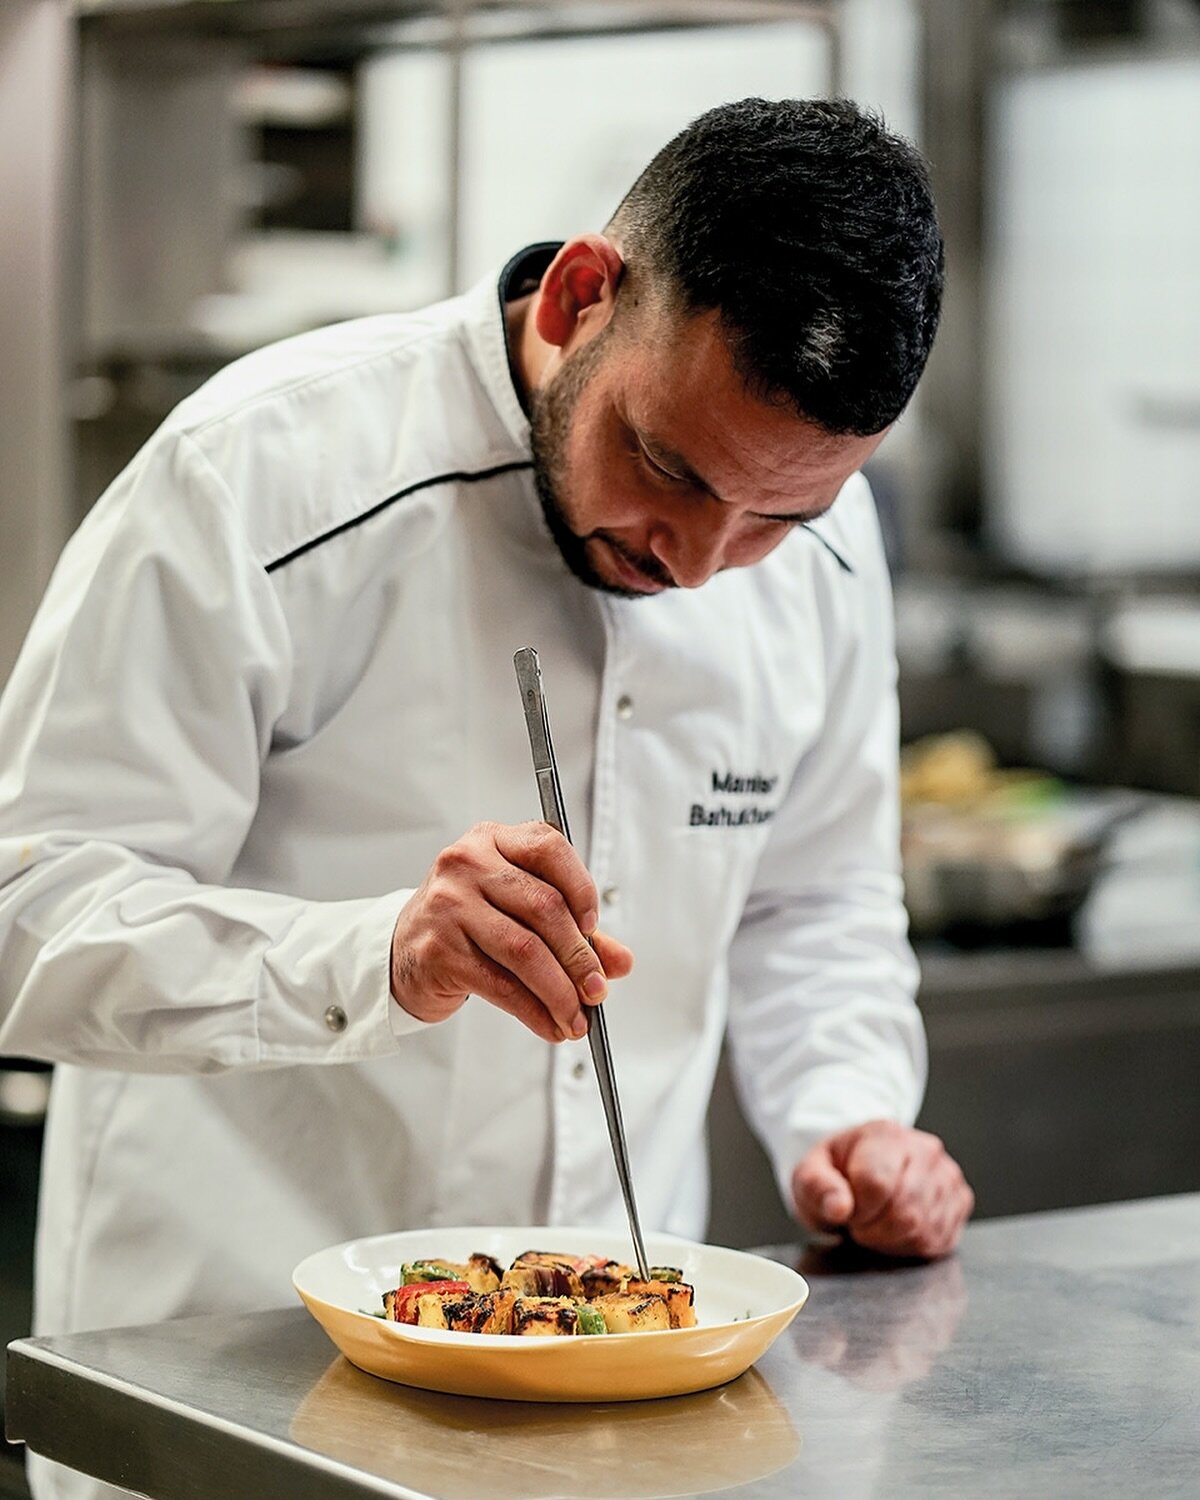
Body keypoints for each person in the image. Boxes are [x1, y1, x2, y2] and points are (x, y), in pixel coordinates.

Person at [0, 95, 972, 1498]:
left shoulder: (815, 554)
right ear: (583, 297)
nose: (700, 566)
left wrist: (851, 1114)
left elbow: (813, 897)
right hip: (230, 1388)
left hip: (612, 1409)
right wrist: (376, 955)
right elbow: (28, 906)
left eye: (778, 518)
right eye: (668, 468)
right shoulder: (261, 475)